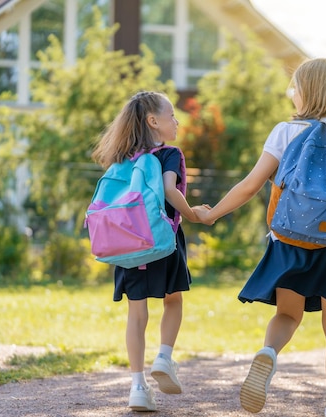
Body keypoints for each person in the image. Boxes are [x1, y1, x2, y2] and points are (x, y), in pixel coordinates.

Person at [194, 58, 326, 417]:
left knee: (288, 314)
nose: (290, 95)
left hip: (287, 239)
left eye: (293, 88)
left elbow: (251, 185)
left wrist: (212, 213)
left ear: (307, 93)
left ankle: (268, 353)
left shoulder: (284, 132)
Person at [92, 91, 203, 412]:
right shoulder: (168, 154)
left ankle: (138, 387)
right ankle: (165, 357)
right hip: (161, 242)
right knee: (173, 301)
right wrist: (195, 213)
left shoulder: (122, 157)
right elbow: (169, 190)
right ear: (153, 121)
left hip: (127, 244)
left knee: (136, 314)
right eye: (171, 116)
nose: (176, 121)